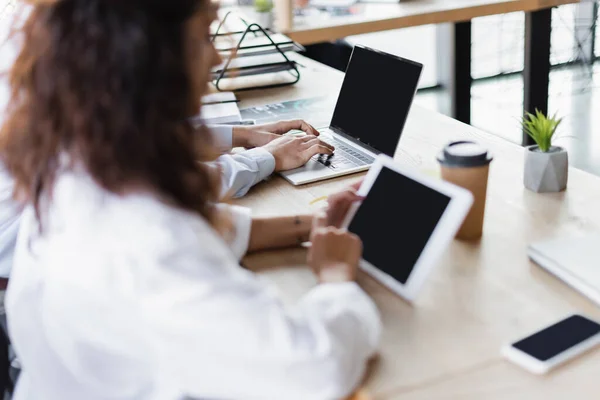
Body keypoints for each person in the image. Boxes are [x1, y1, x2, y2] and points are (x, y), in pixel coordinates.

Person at [0, 2, 381, 400]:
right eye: (204, 35)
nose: (217, 56)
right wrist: (336, 280)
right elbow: (315, 372)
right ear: (147, 57)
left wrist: (308, 224)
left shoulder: (79, 158)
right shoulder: (147, 240)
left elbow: (180, 223)